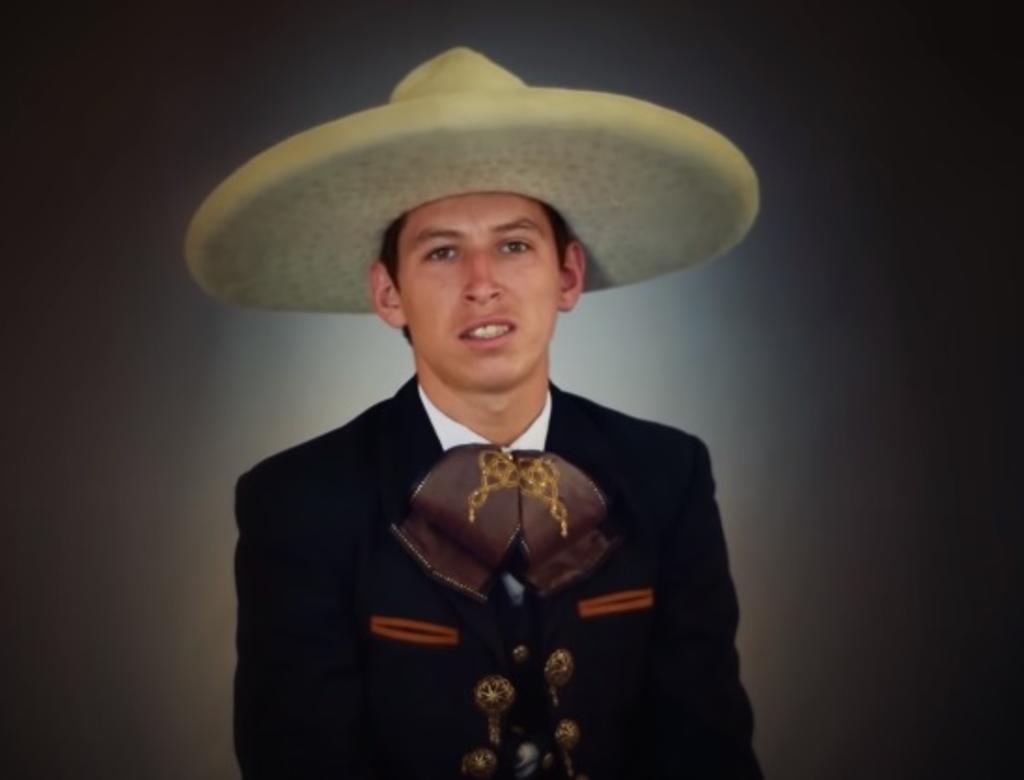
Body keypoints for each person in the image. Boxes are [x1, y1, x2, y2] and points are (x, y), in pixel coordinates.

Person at [186, 47, 762, 780]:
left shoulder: (668, 476)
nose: (482, 283)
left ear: (567, 275)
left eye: (514, 245)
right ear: (389, 294)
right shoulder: (298, 502)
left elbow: (707, 747)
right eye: (441, 253)